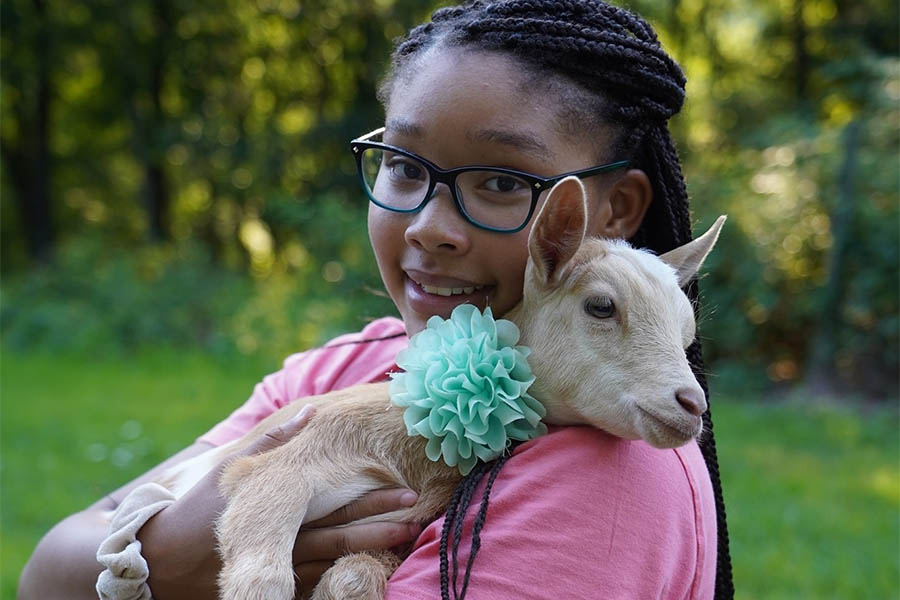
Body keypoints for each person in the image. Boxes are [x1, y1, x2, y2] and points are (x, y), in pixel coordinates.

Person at [19, 1, 734, 598]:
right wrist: (167, 557)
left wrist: (135, 569)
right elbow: (47, 570)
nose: (428, 226)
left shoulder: (608, 469)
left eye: (505, 182)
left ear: (613, 214)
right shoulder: (334, 373)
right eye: (402, 164)